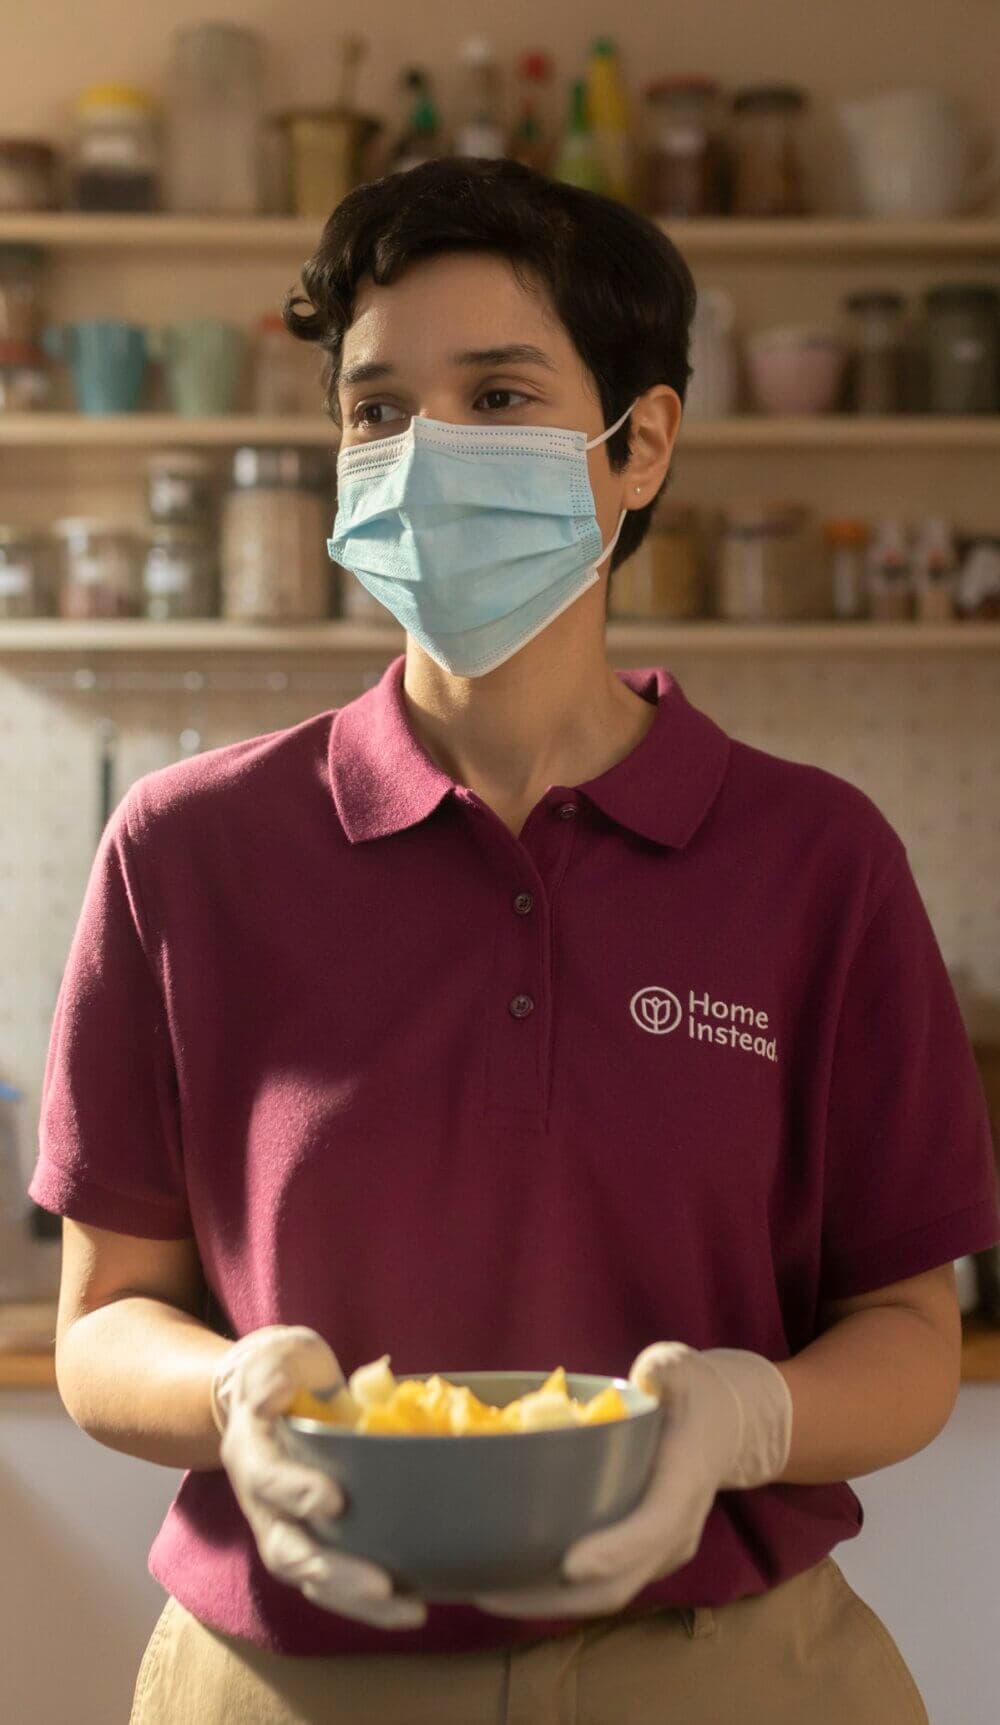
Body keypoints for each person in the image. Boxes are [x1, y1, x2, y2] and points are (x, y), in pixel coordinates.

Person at [31, 158, 1000, 1725]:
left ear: (642, 445)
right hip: (286, 1671)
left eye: (497, 393)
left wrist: (743, 1420)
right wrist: (227, 1393)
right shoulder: (189, 850)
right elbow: (99, 1324)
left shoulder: (819, 862)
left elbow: (907, 1331)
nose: (422, 455)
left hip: (726, 1672)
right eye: (376, 409)